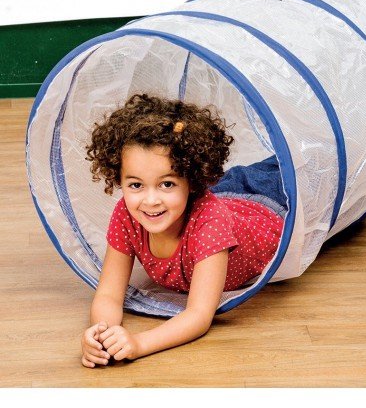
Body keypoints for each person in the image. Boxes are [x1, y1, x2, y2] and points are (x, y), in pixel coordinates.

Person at [80, 93, 287, 367]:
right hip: (222, 195)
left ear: (191, 182)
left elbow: (199, 315)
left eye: (166, 184)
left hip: (269, 203)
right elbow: (108, 294)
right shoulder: (126, 215)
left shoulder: (210, 224)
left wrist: (139, 343)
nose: (150, 200)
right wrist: (101, 334)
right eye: (136, 185)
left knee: (306, 162)